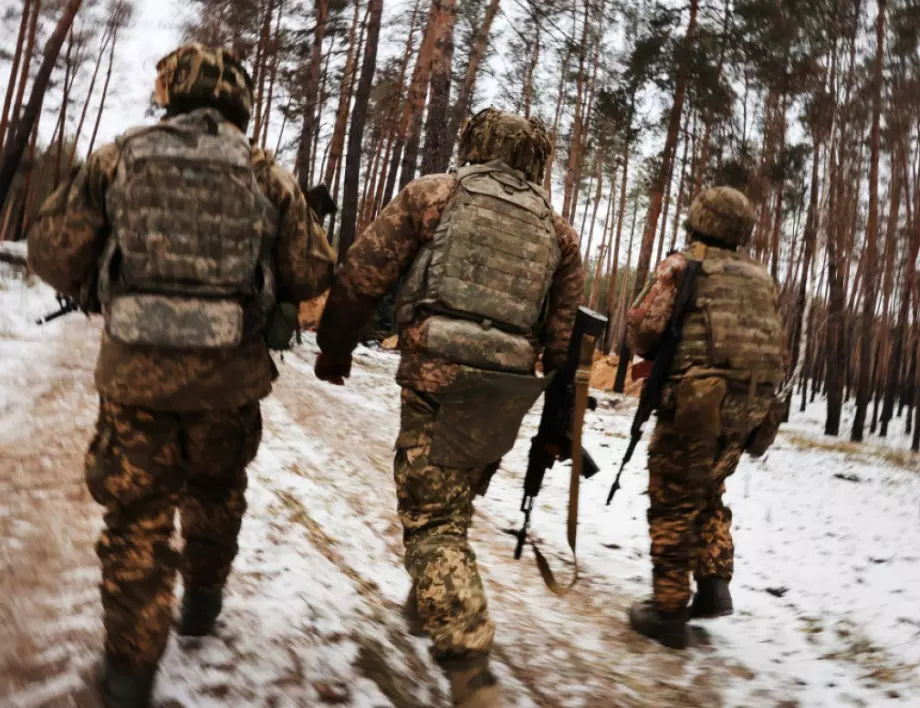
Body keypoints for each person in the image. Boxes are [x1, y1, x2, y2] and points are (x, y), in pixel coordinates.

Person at [28, 44, 336, 707]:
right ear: (239, 99)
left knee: (137, 516)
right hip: (230, 382)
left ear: (173, 91)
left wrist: (96, 280)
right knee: (217, 490)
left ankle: (130, 670)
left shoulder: (120, 156)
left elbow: (51, 251)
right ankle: (201, 602)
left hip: (135, 377)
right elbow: (315, 271)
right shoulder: (266, 174)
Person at [314, 107, 585, 707]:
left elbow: (362, 274)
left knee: (433, 522)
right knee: (449, 500)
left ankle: (469, 668)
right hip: (505, 392)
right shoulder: (559, 234)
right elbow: (565, 345)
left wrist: (334, 349)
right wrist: (550, 417)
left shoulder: (435, 193)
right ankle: (430, 599)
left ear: (476, 142)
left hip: (438, 376)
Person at [625, 186, 787, 649]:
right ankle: (714, 583)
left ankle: (669, 610)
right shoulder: (762, 277)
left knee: (674, 498)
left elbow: (644, 334)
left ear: (698, 218)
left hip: (696, 406)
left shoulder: (682, 266)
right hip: (750, 409)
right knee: (709, 488)